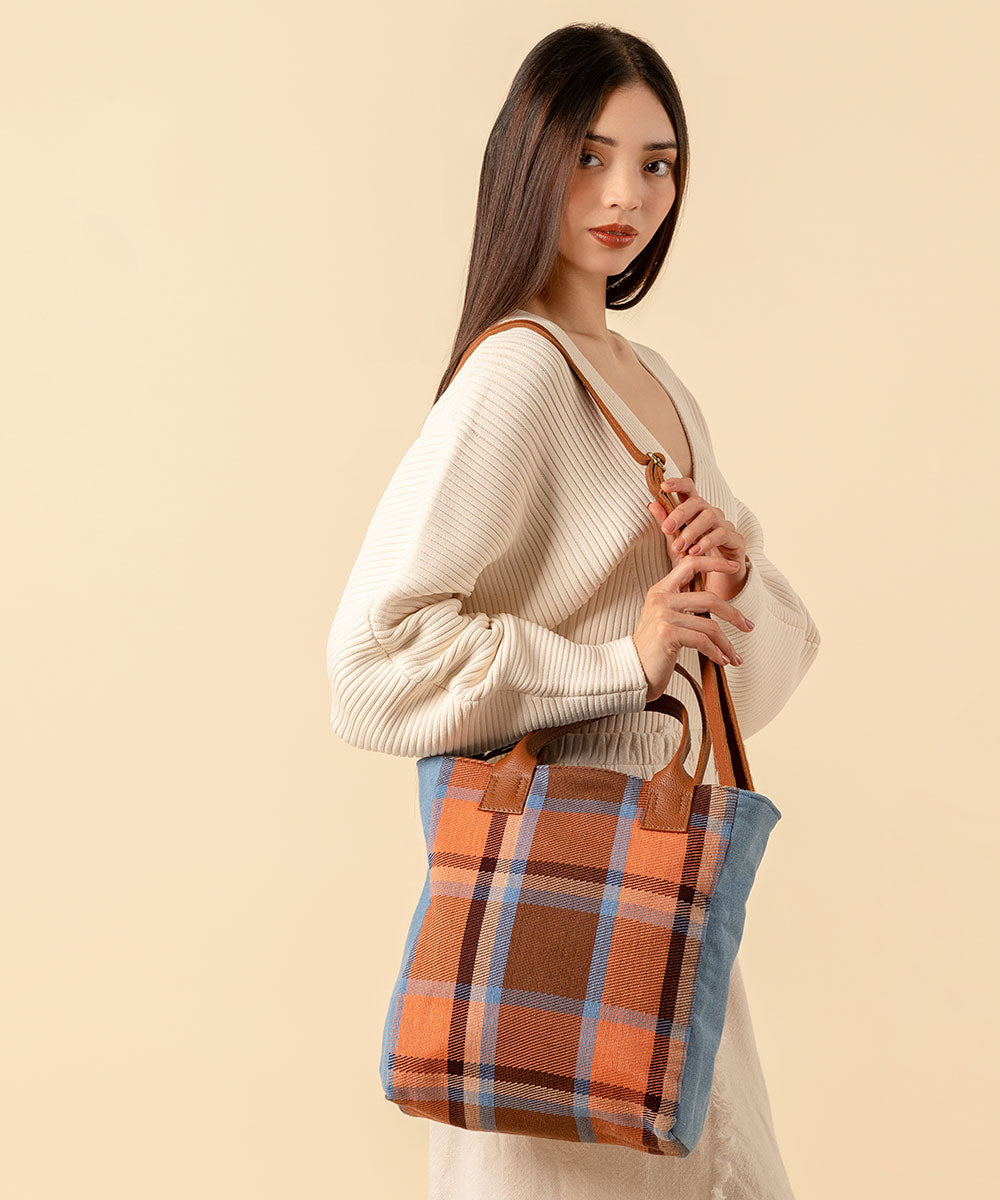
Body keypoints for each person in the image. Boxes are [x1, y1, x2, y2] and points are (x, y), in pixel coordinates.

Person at [326, 21, 821, 1200]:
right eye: (590, 156)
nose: (626, 196)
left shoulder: (656, 385)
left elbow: (742, 684)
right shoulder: (520, 372)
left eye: (657, 164)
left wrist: (728, 590)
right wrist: (620, 661)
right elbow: (370, 666)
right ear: (529, 160)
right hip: (561, 908)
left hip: (658, 903)